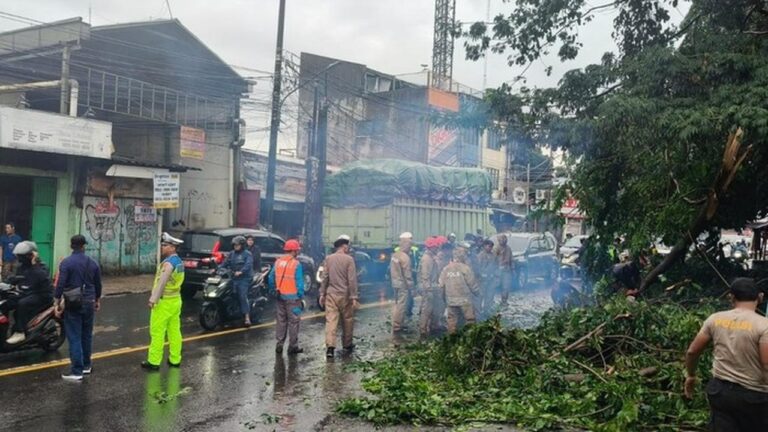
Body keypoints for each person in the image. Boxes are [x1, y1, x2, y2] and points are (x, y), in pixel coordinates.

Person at [684, 278, 768, 431]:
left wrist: (690, 375)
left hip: (719, 392)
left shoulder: (715, 319)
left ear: (731, 297)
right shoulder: (764, 325)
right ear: (760, 297)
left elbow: (692, 351)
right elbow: (766, 364)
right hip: (754, 397)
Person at [54, 235, 102, 381]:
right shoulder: (93, 263)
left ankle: (76, 371)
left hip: (73, 302)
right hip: (89, 301)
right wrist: (97, 299)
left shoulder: (66, 263)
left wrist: (56, 302)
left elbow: (60, 284)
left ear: (71, 246)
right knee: (86, 335)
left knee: (74, 336)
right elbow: (98, 284)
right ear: (84, 246)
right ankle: (86, 366)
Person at [142, 232, 185, 371]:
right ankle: (175, 359)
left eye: (165, 245)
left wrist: (153, 299)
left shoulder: (168, 264)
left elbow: (161, 282)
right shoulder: (179, 262)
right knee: (174, 332)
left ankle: (154, 362)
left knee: (157, 332)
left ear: (172, 247)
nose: (162, 247)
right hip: (176, 300)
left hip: (164, 302)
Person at [5, 241, 53, 345]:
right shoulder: (21, 267)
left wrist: (34, 263)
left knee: (22, 303)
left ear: (30, 255)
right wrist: (9, 281)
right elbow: (16, 279)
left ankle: (20, 332)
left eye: (22, 256)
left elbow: (38, 279)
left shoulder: (41, 267)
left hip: (42, 295)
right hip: (27, 293)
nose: (19, 259)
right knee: (7, 302)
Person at [320, 235, 359, 358]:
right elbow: (352, 280)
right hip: (345, 295)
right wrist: (353, 297)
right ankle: (347, 344)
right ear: (344, 246)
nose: (348, 248)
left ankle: (330, 348)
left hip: (331, 294)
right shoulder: (349, 260)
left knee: (331, 321)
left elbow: (324, 277)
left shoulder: (328, 259)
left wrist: (322, 293)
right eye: (347, 245)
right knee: (347, 320)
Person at [269, 239, 305, 355]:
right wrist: (301, 295)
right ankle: (293, 347)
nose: (298, 252)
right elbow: (299, 283)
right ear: (294, 251)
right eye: (297, 250)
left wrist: (274, 290)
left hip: (280, 297)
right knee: (294, 322)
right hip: (293, 299)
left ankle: (279, 345)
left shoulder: (278, 262)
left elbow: (271, 277)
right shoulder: (296, 264)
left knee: (281, 321)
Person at [439, 242, 480, 334]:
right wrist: (477, 293)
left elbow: (441, 285)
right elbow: (472, 284)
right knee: (470, 320)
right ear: (463, 257)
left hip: (451, 300)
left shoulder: (446, 269)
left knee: (452, 320)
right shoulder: (465, 268)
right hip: (465, 300)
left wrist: (443, 299)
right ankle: (469, 338)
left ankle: (451, 339)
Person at [219, 236, 254, 326]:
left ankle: (247, 317)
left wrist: (241, 271)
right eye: (234, 245)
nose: (235, 246)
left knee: (242, 296)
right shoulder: (231, 254)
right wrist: (217, 269)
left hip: (244, 278)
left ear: (242, 245)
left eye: (237, 245)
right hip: (233, 277)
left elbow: (248, 265)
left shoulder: (247, 254)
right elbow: (225, 263)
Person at [418, 236, 442, 338]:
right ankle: (423, 330)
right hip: (428, 288)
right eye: (436, 247)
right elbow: (425, 275)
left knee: (435, 308)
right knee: (427, 309)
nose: (437, 249)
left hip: (432, 287)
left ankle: (433, 326)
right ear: (431, 248)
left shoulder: (431, 257)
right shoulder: (427, 259)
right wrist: (428, 289)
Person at [390, 232, 414, 333]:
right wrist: (411, 288)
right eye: (410, 245)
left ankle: (397, 323)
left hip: (395, 283)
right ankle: (397, 326)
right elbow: (407, 275)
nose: (410, 247)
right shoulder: (405, 257)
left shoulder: (395, 255)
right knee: (402, 305)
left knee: (397, 304)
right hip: (402, 284)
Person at [477, 239, 500, 317]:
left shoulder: (494, 255)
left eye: (491, 247)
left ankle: (487, 310)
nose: (490, 248)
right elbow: (477, 268)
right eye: (488, 246)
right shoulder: (480, 255)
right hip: (482, 280)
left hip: (491, 278)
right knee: (481, 295)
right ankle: (478, 311)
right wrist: (481, 275)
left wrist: (496, 275)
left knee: (490, 295)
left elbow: (497, 266)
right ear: (484, 246)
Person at [495, 234, 514, 305]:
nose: (503, 241)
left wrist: (512, 268)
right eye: (501, 239)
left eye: (504, 239)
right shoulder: (496, 248)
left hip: (507, 270)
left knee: (506, 286)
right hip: (498, 270)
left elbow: (511, 259)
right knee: (497, 285)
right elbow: (493, 259)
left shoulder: (508, 248)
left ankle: (504, 300)